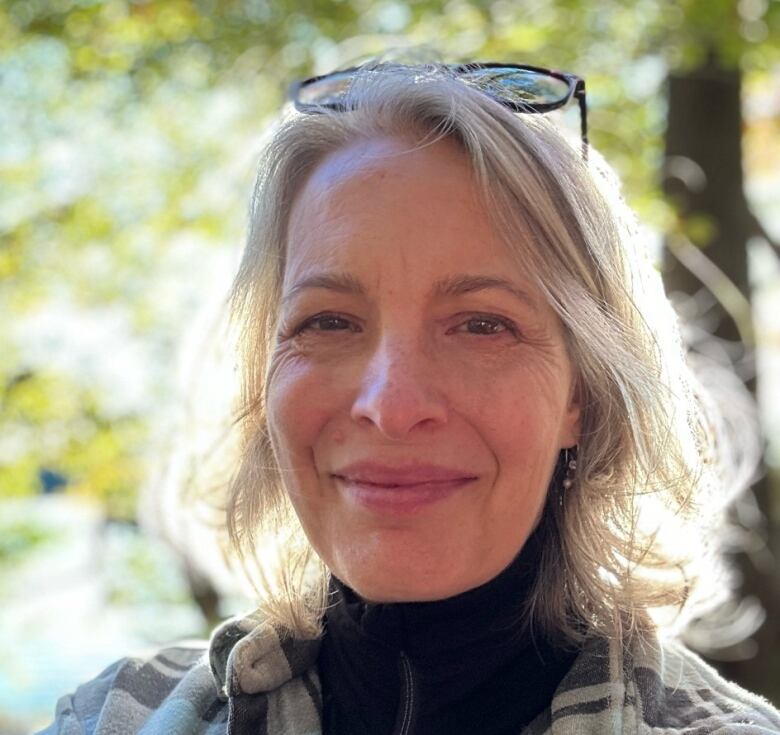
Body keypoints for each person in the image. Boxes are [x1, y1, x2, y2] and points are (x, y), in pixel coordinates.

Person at [39, 60, 780, 735]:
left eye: (482, 324)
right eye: (328, 321)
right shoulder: (115, 715)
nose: (392, 404)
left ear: (580, 393)